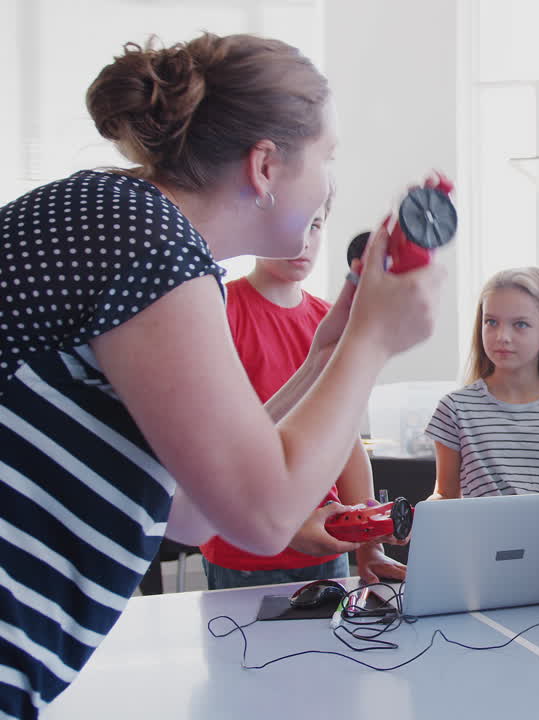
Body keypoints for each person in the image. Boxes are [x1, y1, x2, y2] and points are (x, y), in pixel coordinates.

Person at [0, 33, 442, 718]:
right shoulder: (149, 241)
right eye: (328, 156)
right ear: (265, 165)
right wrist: (374, 342)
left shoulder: (127, 222)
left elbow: (192, 507)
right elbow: (264, 517)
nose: (330, 179)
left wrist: (323, 358)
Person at [200, 196, 405, 589]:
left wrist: (368, 546)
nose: (304, 240)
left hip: (328, 545)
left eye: (315, 226)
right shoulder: (219, 311)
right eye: (292, 223)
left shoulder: (329, 319)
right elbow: (217, 451)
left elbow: (346, 442)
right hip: (245, 551)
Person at [427, 268, 539, 498]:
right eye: (491, 322)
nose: (502, 336)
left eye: (520, 324)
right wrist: (417, 519)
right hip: (480, 535)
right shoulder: (454, 409)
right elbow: (445, 495)